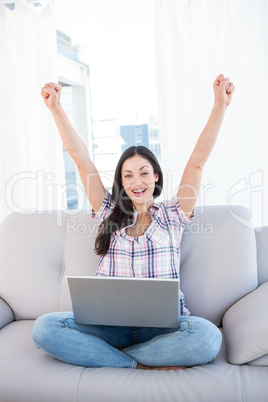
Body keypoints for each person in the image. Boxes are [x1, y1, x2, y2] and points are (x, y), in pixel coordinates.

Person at [32, 74, 235, 370]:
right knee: (44, 328)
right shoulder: (108, 211)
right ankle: (137, 364)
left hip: (162, 329)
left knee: (206, 338)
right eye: (128, 175)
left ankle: (115, 358)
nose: (136, 181)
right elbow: (82, 161)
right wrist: (56, 108)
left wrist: (220, 105)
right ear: (121, 182)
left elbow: (197, 161)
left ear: (156, 176)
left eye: (143, 172)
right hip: (110, 326)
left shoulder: (172, 215)